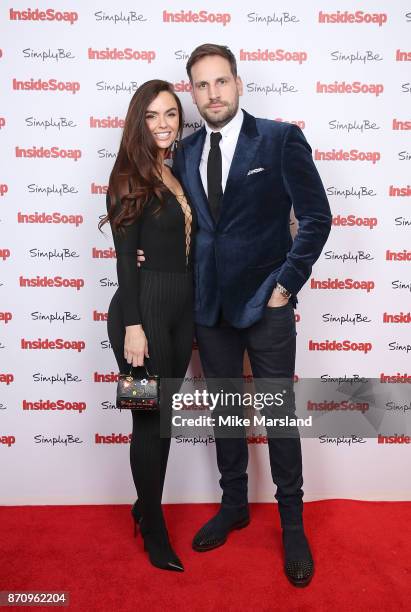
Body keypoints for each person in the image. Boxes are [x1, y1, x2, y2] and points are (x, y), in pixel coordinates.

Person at [138, 44, 332, 587]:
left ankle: (293, 524)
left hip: (267, 305)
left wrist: (286, 285)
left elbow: (316, 217)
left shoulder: (280, 138)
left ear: (238, 84)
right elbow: (180, 223)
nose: (212, 94)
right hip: (210, 310)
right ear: (192, 93)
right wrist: (142, 250)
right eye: (201, 86)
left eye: (221, 82)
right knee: (226, 411)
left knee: (278, 417)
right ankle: (234, 505)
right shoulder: (185, 150)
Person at [99, 79, 196, 572]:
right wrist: (134, 326)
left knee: (166, 421)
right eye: (153, 115)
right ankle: (154, 527)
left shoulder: (175, 172)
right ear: (139, 121)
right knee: (146, 420)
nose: (162, 124)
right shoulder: (128, 176)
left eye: (171, 115)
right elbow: (123, 260)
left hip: (181, 313)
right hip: (142, 315)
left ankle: (145, 505)